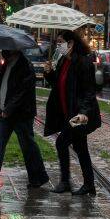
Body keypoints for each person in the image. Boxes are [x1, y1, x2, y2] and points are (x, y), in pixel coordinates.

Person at [0, 49, 49, 191]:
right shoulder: (8, 63)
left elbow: (22, 92)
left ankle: (38, 178)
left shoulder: (25, 66)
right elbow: (1, 82)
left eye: (6, 48)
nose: (2, 51)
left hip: (21, 114)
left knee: (28, 146)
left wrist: (9, 109)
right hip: (5, 113)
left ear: (15, 49)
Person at [43, 30, 101, 196]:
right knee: (81, 148)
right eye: (57, 42)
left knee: (61, 142)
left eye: (60, 42)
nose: (57, 45)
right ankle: (88, 184)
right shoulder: (63, 61)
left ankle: (65, 181)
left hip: (79, 115)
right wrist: (49, 73)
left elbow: (89, 92)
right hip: (67, 113)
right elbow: (58, 85)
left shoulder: (83, 62)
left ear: (71, 43)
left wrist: (83, 113)